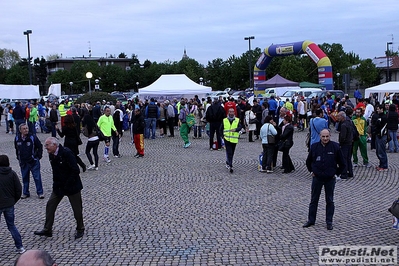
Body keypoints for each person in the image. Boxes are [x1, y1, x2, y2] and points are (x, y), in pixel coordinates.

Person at [34, 137, 85, 239]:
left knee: (77, 210)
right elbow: (55, 171)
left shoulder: (67, 153)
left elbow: (75, 170)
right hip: (59, 187)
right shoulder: (51, 154)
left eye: (47, 145)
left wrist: (67, 184)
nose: (45, 147)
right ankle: (47, 229)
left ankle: (80, 228)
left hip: (72, 186)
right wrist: (56, 185)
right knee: (50, 205)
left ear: (54, 145)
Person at [304, 129, 344, 230]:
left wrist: (336, 173)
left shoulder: (335, 147)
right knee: (314, 200)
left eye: (327, 136)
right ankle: (311, 220)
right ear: (320, 136)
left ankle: (329, 221)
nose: (325, 138)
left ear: (330, 136)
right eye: (323, 136)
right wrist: (311, 171)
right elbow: (308, 161)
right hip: (317, 178)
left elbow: (343, 163)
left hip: (330, 179)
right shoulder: (314, 147)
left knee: (329, 200)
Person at [0, 154, 25, 254]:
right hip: (9, 204)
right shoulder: (12, 173)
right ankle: (20, 247)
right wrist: (13, 200)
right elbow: (18, 189)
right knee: (11, 226)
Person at [14, 123, 44, 199]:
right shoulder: (17, 138)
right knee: (25, 178)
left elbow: (39, 146)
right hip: (24, 162)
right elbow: (17, 149)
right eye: (24, 129)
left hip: (33, 161)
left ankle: (40, 192)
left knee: (37, 177)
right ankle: (25, 192)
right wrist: (19, 158)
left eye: (26, 128)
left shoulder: (32, 137)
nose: (26, 130)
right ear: (20, 130)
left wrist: (38, 156)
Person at [221, 108, 242, 173]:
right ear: (228, 113)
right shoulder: (224, 120)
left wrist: (236, 129)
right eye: (230, 112)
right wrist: (222, 136)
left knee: (232, 152)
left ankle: (228, 162)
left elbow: (240, 127)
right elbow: (221, 129)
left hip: (234, 139)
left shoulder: (237, 120)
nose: (231, 113)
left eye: (232, 112)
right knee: (229, 152)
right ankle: (230, 165)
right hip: (227, 139)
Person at [336, 111, 354, 180]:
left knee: (343, 159)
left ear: (342, 116)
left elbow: (343, 136)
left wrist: (340, 143)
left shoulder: (343, 125)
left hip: (345, 144)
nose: (337, 117)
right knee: (348, 159)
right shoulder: (349, 122)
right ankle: (350, 172)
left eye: (338, 116)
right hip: (350, 143)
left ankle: (344, 174)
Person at [374, 105, 388, 171]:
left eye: (378, 109)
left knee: (381, 151)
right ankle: (381, 164)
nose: (377, 110)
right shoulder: (379, 116)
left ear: (382, 109)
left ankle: (384, 166)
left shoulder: (384, 117)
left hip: (381, 136)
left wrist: (380, 134)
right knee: (378, 151)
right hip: (378, 135)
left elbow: (383, 128)